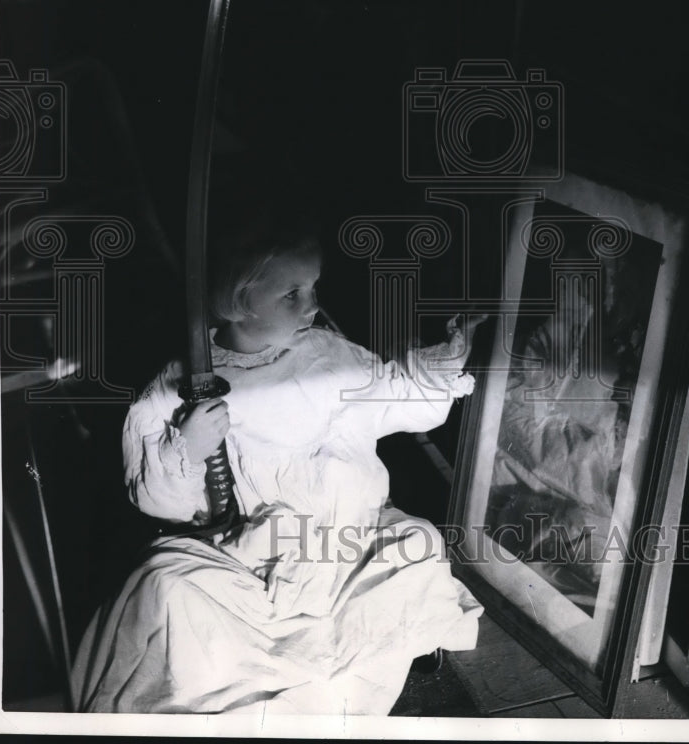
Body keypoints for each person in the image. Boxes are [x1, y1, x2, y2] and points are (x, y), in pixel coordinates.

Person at [71, 216, 484, 715]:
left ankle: (365, 655)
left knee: (419, 545)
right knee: (166, 586)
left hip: (345, 537)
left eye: (312, 288)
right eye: (291, 294)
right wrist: (188, 446)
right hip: (251, 553)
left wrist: (441, 365)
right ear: (238, 304)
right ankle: (287, 682)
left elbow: (395, 394)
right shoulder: (186, 378)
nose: (311, 304)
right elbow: (157, 498)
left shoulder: (325, 354)